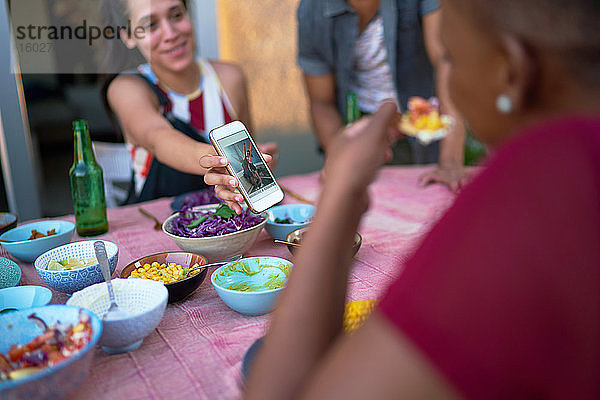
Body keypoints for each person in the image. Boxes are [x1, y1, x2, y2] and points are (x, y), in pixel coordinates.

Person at [202, 0, 600, 397]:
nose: (444, 91)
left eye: (453, 59)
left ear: (510, 72)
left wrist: (342, 194)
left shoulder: (529, 194)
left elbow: (282, 391)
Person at [102, 0, 277, 203]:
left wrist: (258, 161)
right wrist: (228, 161)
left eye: (176, 15)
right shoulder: (126, 88)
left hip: (231, 220)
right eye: (151, 25)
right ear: (128, 36)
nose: (171, 33)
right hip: (159, 225)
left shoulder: (230, 78)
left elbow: (248, 151)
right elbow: (159, 139)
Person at [297, 0, 469, 191]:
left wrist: (450, 160)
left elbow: (446, 60)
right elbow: (321, 102)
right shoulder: (312, 10)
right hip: (357, 136)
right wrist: (339, 155)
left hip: (421, 132)